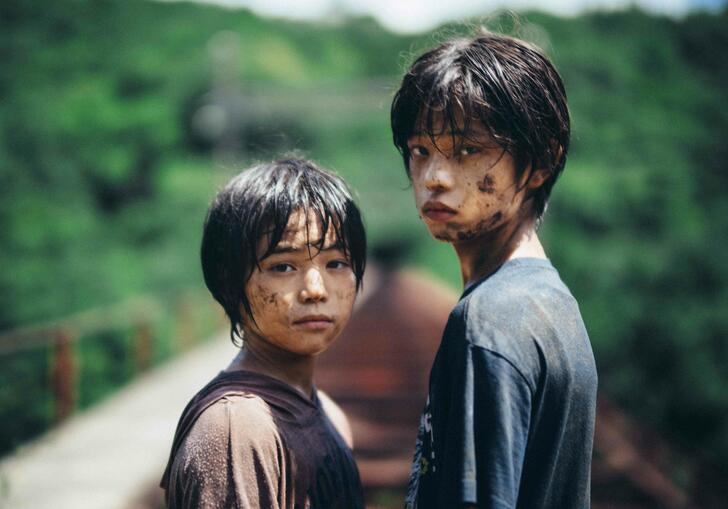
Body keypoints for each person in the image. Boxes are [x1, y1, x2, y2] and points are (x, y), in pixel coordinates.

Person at [390, 30, 598, 508]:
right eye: (421, 150)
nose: (433, 177)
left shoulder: (488, 322)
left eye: (467, 150)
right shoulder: (551, 304)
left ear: (542, 162)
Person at [160, 158, 367, 509]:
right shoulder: (236, 430)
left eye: (336, 263)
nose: (316, 289)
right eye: (283, 266)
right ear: (228, 281)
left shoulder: (327, 412)